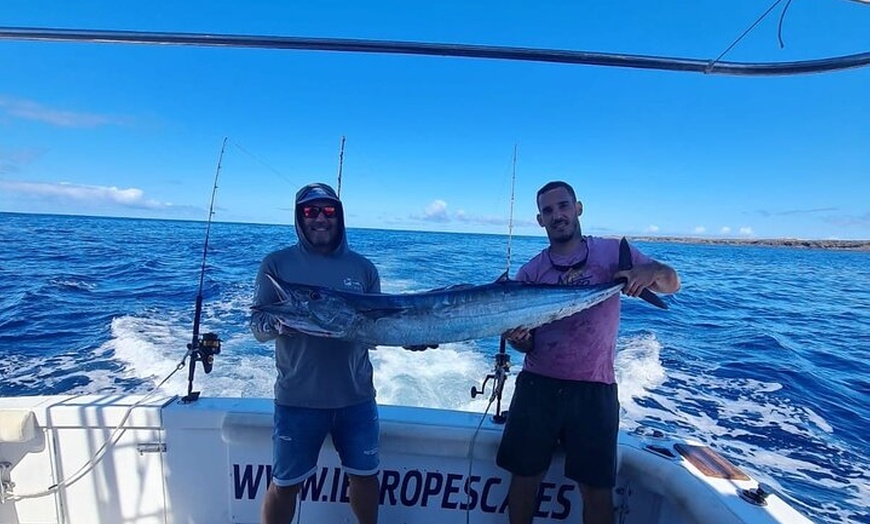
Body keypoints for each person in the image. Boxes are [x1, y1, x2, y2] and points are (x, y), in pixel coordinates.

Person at [496, 180, 680, 524]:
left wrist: (649, 272)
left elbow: (672, 283)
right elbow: (528, 343)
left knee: (596, 490)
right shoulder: (531, 272)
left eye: (563, 206)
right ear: (540, 220)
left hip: (595, 389)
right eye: (548, 211)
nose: (557, 215)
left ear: (578, 208)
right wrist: (520, 340)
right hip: (538, 387)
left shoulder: (612, 254)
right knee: (523, 480)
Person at [250, 182, 382, 524]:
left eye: (328, 211)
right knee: (284, 484)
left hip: (356, 397)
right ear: (299, 217)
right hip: (297, 400)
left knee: (365, 478)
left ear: (339, 217)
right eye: (310, 211)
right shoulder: (275, 265)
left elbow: (375, 331)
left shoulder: (364, 268)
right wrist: (279, 326)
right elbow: (258, 324)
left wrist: (414, 337)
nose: (320, 218)